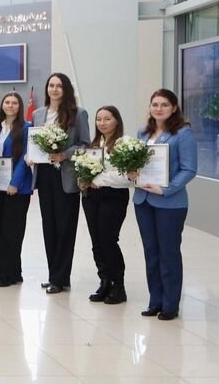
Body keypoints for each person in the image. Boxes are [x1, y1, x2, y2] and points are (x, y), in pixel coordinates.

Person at [132, 89, 197, 321]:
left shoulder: (182, 133)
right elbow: (136, 161)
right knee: (151, 252)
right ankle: (155, 301)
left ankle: (170, 304)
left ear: (174, 108)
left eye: (164, 105)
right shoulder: (143, 132)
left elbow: (189, 169)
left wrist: (165, 189)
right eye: (155, 104)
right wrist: (132, 173)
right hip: (143, 200)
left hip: (170, 203)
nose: (158, 109)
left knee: (168, 253)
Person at [30, 72, 90, 294]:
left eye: (59, 86)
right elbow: (34, 143)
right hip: (45, 175)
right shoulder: (38, 114)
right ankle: (54, 275)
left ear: (66, 90)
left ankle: (61, 277)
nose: (54, 89)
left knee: (65, 227)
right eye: (51, 85)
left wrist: (65, 155)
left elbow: (85, 144)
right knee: (49, 226)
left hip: (66, 176)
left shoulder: (78, 113)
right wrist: (31, 156)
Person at [82, 105, 131, 304]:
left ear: (117, 121)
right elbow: (85, 170)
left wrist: (99, 179)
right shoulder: (94, 144)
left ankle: (119, 285)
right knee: (96, 241)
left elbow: (127, 176)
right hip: (91, 197)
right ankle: (104, 281)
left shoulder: (124, 143)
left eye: (107, 119)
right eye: (99, 119)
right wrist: (83, 179)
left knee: (108, 240)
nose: (102, 123)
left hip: (114, 196)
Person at [0, 92, 33, 288]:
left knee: (12, 232)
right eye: (7, 102)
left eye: (15, 103)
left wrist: (15, 183)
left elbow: (25, 157)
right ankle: (15, 272)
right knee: (0, 229)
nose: (10, 105)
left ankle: (5, 274)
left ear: (20, 106)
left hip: (17, 188)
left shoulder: (26, 128)